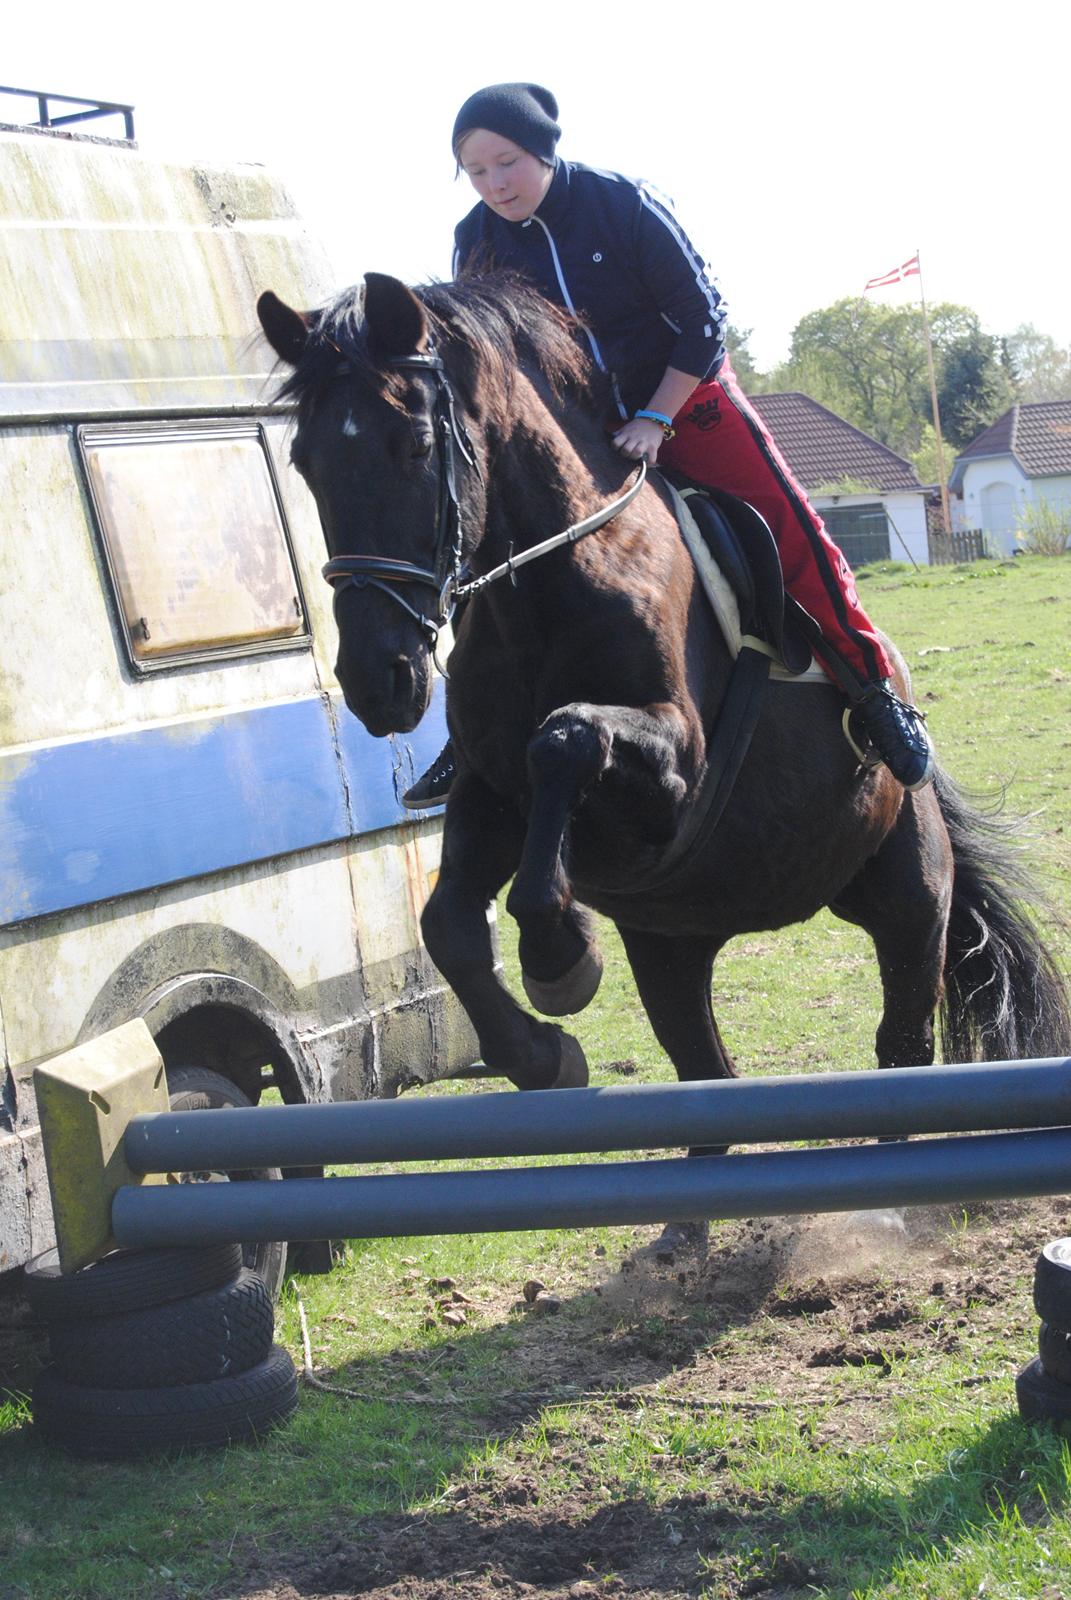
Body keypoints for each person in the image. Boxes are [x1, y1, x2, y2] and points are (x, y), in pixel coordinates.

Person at [402, 82, 933, 808]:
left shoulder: (623, 203)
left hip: (688, 403)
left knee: (788, 525)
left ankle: (873, 692)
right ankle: (468, 739)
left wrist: (655, 418)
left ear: (544, 152)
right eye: (475, 171)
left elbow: (701, 318)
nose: (494, 184)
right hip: (579, 434)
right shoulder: (476, 239)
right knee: (487, 549)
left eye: (507, 163)